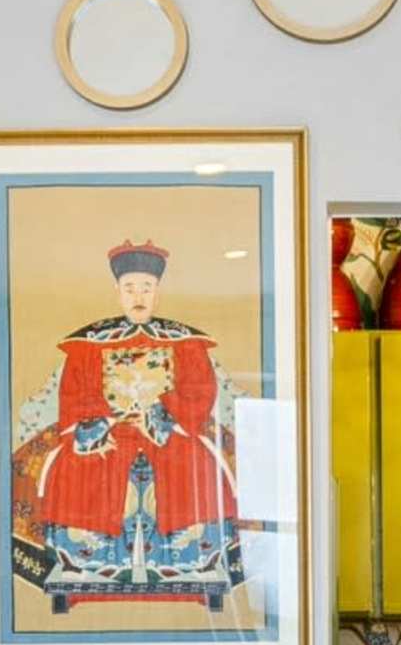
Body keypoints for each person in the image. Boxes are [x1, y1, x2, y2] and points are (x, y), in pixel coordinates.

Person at [23, 238, 242, 589]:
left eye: (146, 288)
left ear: (158, 291)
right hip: (106, 433)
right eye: (130, 288)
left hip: (168, 429)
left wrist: (158, 416)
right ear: (117, 291)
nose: (138, 296)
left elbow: (199, 391)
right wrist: (105, 424)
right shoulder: (89, 343)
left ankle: (186, 560)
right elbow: (74, 396)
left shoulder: (184, 341)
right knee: (74, 466)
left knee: (197, 465)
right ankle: (91, 560)